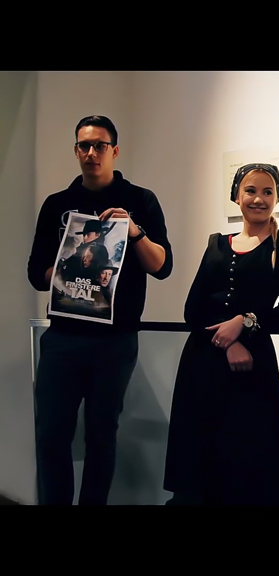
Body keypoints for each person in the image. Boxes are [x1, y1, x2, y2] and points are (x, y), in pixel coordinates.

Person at [27, 115, 173, 505]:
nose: (92, 153)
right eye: (84, 146)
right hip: (62, 338)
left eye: (100, 145)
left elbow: (162, 267)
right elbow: (35, 273)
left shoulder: (140, 200)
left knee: (101, 436)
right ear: (76, 150)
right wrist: (65, 271)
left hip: (115, 340)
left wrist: (134, 231)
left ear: (114, 150)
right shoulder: (57, 205)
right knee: (51, 435)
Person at [163, 163, 279, 505]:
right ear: (237, 197)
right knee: (201, 458)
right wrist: (228, 344)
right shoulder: (217, 243)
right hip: (203, 363)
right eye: (251, 191)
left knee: (246, 459)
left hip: (251, 368)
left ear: (277, 197)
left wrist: (245, 322)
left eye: (267, 192)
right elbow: (193, 310)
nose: (259, 199)